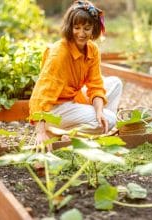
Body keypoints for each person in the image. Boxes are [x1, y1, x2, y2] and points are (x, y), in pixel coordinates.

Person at [29, 0, 123, 147]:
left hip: (73, 98)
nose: (81, 33)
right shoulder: (59, 54)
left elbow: (96, 85)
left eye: (87, 28)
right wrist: (40, 131)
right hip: (54, 110)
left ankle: (101, 127)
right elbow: (41, 95)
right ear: (69, 27)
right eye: (76, 27)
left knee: (115, 83)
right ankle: (61, 132)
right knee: (111, 119)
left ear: (94, 29)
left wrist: (99, 112)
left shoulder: (92, 49)